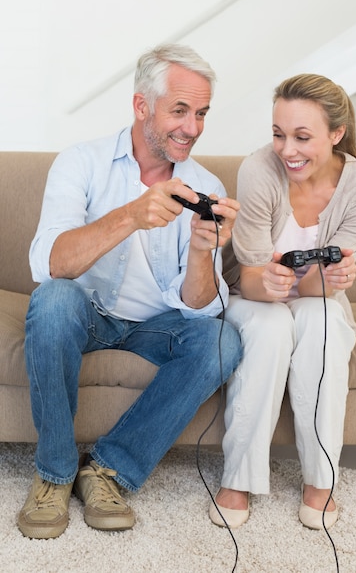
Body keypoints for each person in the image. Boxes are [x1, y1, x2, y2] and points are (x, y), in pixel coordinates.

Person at [18, 43, 242, 540]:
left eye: (201, 113)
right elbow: (51, 263)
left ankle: (107, 470)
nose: (193, 127)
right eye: (179, 110)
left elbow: (201, 309)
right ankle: (54, 473)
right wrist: (131, 216)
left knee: (224, 340)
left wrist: (204, 250)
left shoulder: (204, 184)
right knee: (53, 301)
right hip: (87, 314)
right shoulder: (81, 162)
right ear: (142, 106)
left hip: (155, 327)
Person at [209, 73, 356, 530]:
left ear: (336, 134)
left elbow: (321, 288)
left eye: (302, 137)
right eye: (278, 134)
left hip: (315, 299)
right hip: (251, 293)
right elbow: (248, 274)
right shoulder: (258, 170)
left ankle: (320, 480)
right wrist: (272, 283)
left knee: (322, 322)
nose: (287, 150)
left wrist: (332, 279)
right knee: (271, 328)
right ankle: (238, 479)